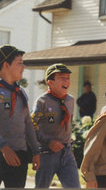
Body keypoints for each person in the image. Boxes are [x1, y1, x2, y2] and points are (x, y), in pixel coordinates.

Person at [31, 63, 81, 188]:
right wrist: (48, 142)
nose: (66, 81)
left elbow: (68, 125)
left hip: (67, 153)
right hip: (47, 154)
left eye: (68, 78)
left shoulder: (70, 100)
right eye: (61, 78)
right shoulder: (42, 101)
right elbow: (32, 125)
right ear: (50, 82)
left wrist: (70, 146)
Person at [0, 45, 40, 187]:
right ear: (6, 64)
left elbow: (27, 123)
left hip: (19, 155)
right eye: (19, 63)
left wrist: (36, 151)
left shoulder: (20, 93)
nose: (23, 67)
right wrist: (3, 147)